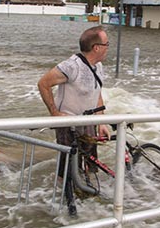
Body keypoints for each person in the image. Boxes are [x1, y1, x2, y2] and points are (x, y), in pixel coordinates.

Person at [37, 26, 111, 213]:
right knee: (67, 168)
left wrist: (101, 121)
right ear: (96, 47)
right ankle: (62, 203)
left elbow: (97, 92)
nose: (108, 47)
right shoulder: (72, 66)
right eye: (106, 44)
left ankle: (84, 198)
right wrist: (55, 113)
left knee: (88, 164)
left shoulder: (98, 67)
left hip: (88, 123)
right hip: (68, 124)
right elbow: (43, 83)